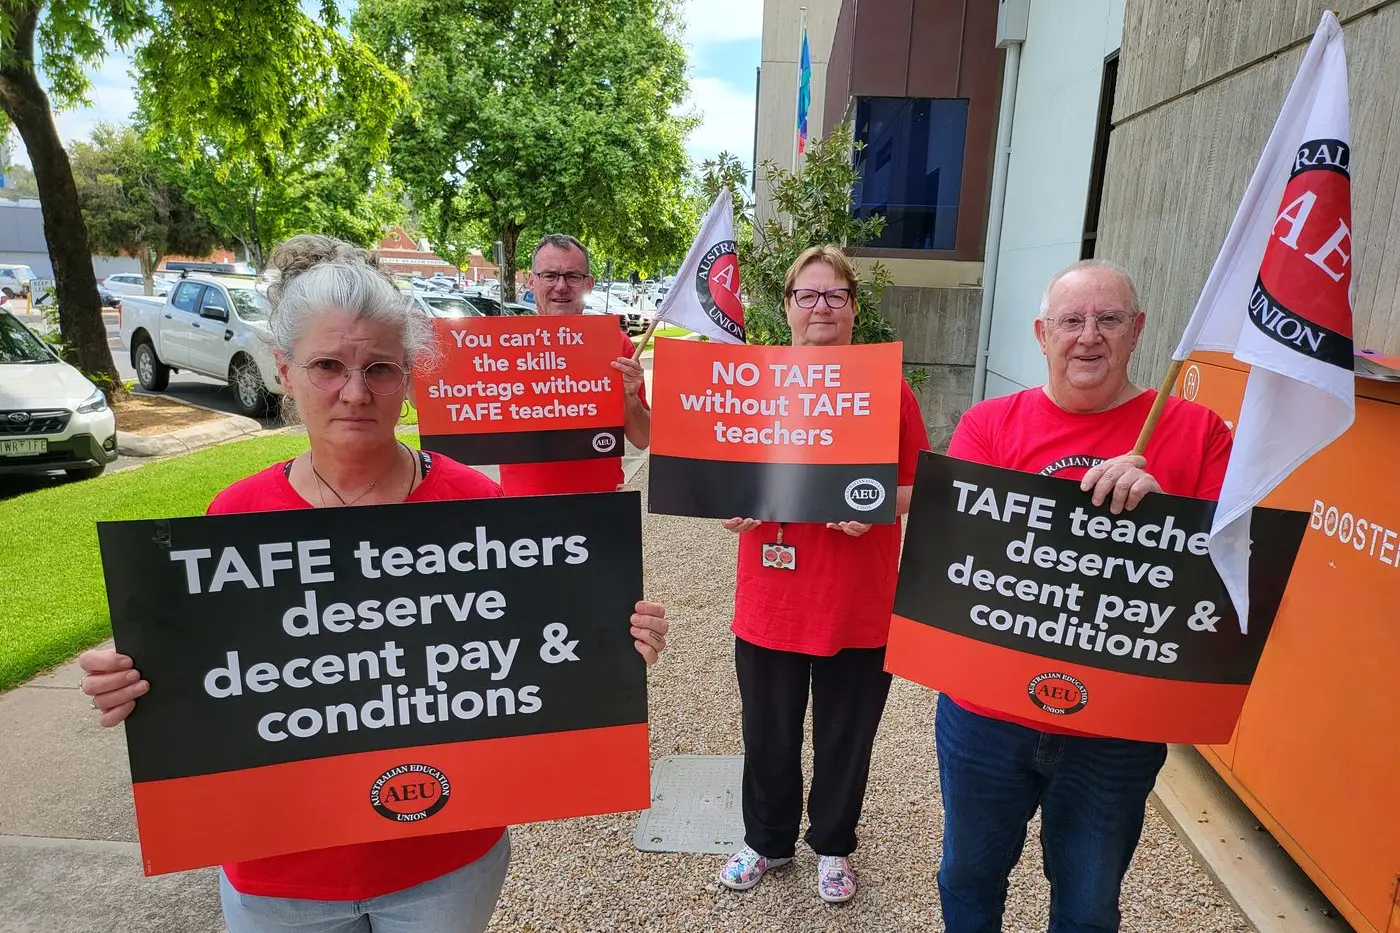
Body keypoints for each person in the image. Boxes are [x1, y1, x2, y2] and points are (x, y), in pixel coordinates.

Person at [77, 235, 670, 933]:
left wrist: (612, 635)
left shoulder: (477, 507)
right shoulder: (233, 517)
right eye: (328, 365)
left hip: (444, 867)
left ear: (411, 376)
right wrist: (139, 679)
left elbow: (534, 654)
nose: (355, 391)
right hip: (279, 875)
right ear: (285, 369)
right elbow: (218, 684)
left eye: (380, 368)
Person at [937, 259, 1234, 933]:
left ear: (1138, 332)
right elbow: (954, 564)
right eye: (1072, 320)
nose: (1089, 336)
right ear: (1043, 334)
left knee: (1088, 903)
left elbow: (1234, 579)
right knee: (967, 877)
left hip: (1118, 729)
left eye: (1109, 319)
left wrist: (1169, 518)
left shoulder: (1199, 433)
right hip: (987, 715)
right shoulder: (988, 426)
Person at [716, 245, 931, 904]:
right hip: (772, 600)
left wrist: (874, 506)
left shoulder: (886, 387)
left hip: (856, 603)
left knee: (846, 734)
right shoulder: (754, 383)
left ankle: (834, 842)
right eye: (807, 295)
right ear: (785, 307)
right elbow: (722, 479)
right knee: (768, 732)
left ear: (852, 308)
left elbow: (920, 486)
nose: (820, 307)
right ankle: (768, 839)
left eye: (834, 295)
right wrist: (732, 507)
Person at [497, 234, 649, 496]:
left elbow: (643, 438)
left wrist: (631, 397)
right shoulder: (501, 347)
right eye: (549, 275)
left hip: (598, 504)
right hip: (522, 507)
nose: (561, 286)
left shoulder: (614, 343)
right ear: (531, 281)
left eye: (572, 276)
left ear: (588, 284)